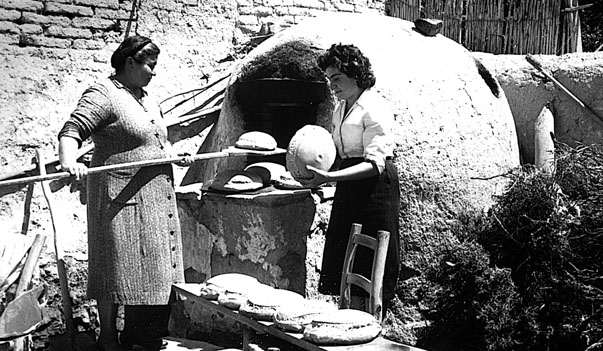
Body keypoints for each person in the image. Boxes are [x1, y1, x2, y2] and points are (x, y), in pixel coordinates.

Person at [58, 35, 192, 351]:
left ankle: (139, 337)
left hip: (152, 197)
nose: (154, 72)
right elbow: (72, 131)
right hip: (117, 198)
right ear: (130, 63)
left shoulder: (146, 98)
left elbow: (154, 140)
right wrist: (69, 161)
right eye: (149, 65)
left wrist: (174, 154)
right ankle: (107, 337)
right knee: (113, 267)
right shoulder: (104, 94)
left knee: (149, 268)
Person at [302, 43, 401, 315]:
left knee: (371, 258)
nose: (332, 85)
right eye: (329, 79)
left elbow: (374, 163)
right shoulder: (341, 108)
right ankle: (350, 318)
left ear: (356, 73)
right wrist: (315, 172)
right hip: (349, 184)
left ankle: (370, 321)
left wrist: (331, 176)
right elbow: (340, 154)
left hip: (375, 187)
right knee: (347, 252)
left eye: (336, 78)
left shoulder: (374, 107)